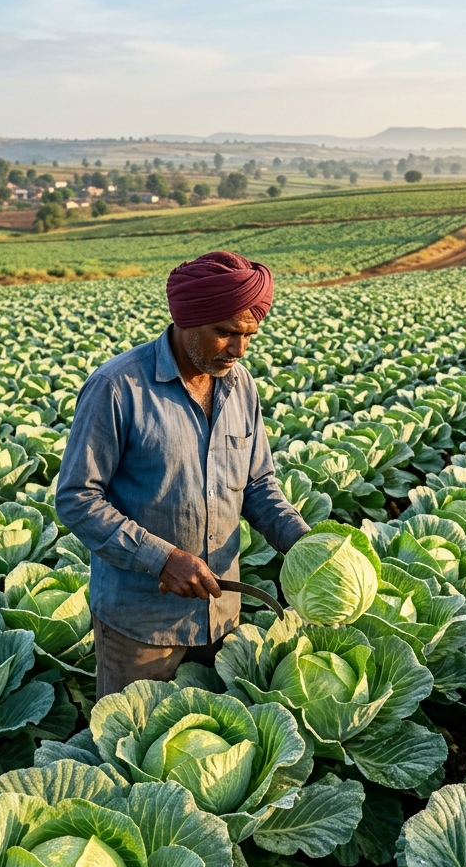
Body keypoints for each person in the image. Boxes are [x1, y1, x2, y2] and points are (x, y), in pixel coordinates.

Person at [56, 251, 310, 699]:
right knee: (131, 751)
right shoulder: (118, 387)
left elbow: (257, 484)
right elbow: (78, 498)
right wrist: (162, 558)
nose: (239, 348)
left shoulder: (241, 385)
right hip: (142, 627)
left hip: (223, 618)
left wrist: (308, 544)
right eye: (226, 333)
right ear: (187, 320)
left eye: (249, 335)